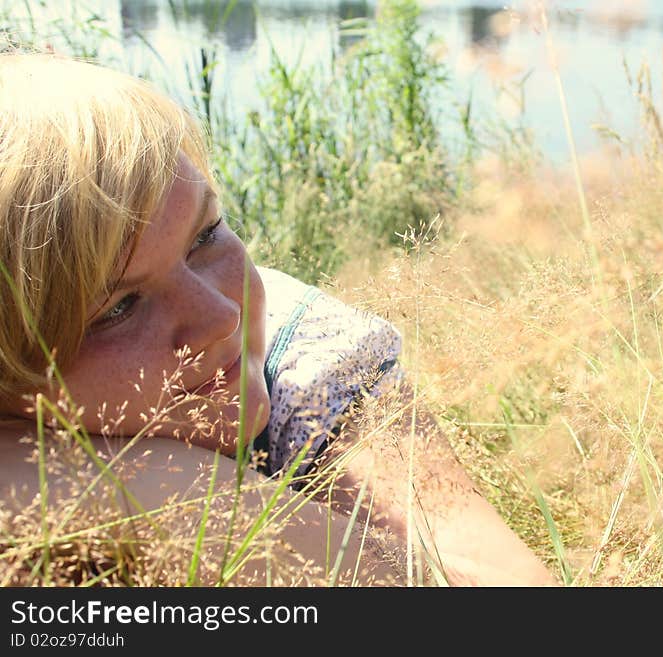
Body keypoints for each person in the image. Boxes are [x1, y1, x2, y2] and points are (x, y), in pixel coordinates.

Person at [0, 52, 558, 586]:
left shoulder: (310, 368)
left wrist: (159, 491)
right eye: (118, 308)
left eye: (205, 237)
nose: (221, 317)